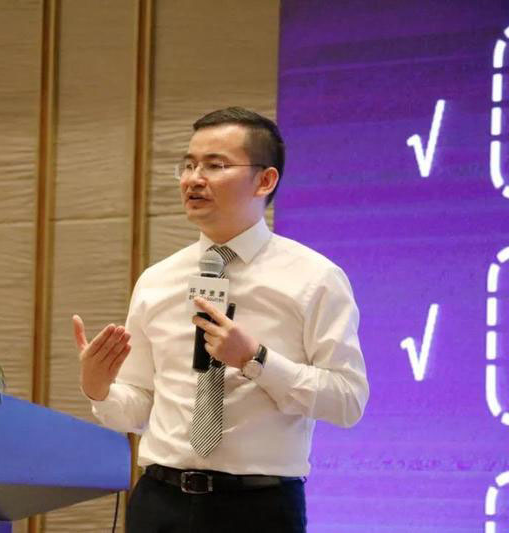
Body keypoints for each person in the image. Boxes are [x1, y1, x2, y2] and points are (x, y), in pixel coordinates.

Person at [72, 106, 369, 533]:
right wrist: (98, 389)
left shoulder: (315, 279)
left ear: (265, 180)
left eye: (215, 166)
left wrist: (256, 359)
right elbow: (138, 407)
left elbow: (348, 400)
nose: (194, 179)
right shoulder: (157, 280)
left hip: (259, 508)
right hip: (159, 503)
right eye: (189, 165)